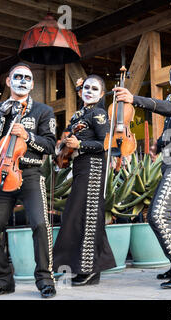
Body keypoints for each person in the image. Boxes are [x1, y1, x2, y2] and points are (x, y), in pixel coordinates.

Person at [114, 60, 171, 289]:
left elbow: (170, 108)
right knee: (157, 214)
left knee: (158, 214)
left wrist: (134, 98)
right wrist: (158, 145)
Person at [0, 63, 57, 298]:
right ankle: (4, 279)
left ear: (32, 83)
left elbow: (50, 145)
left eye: (27, 78)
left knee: (40, 224)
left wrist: (28, 136)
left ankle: (45, 279)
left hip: (29, 174)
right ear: (8, 81)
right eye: (17, 77)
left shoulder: (43, 111)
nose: (22, 81)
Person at [53, 74, 116, 286]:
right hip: (80, 167)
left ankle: (90, 270)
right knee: (78, 215)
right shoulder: (78, 115)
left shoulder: (98, 113)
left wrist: (80, 145)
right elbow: (68, 139)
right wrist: (63, 147)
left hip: (93, 167)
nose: (89, 91)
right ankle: (84, 268)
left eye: (94, 89)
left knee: (88, 217)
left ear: (101, 94)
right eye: (86, 88)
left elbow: (104, 144)